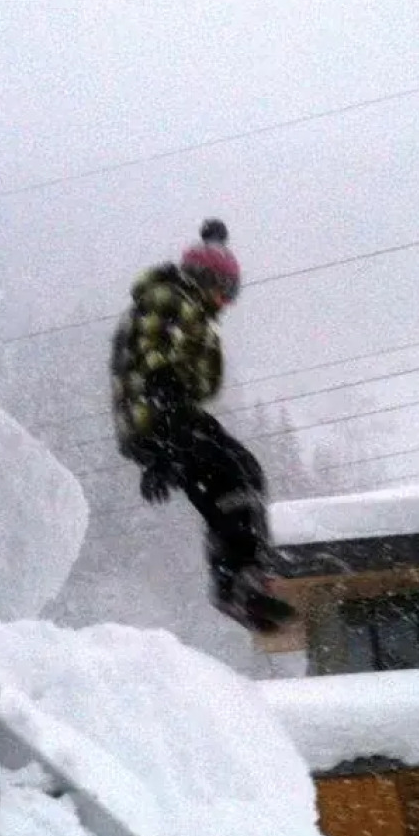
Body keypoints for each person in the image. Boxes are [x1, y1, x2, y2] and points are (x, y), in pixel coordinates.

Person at [110, 219, 293, 632]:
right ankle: (234, 577)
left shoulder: (185, 304)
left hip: (174, 413)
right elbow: (156, 370)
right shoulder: (169, 300)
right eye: (222, 292)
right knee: (226, 473)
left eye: (230, 295)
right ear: (202, 280)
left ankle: (247, 570)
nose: (224, 304)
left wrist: (216, 243)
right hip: (159, 416)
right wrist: (162, 450)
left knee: (243, 470)